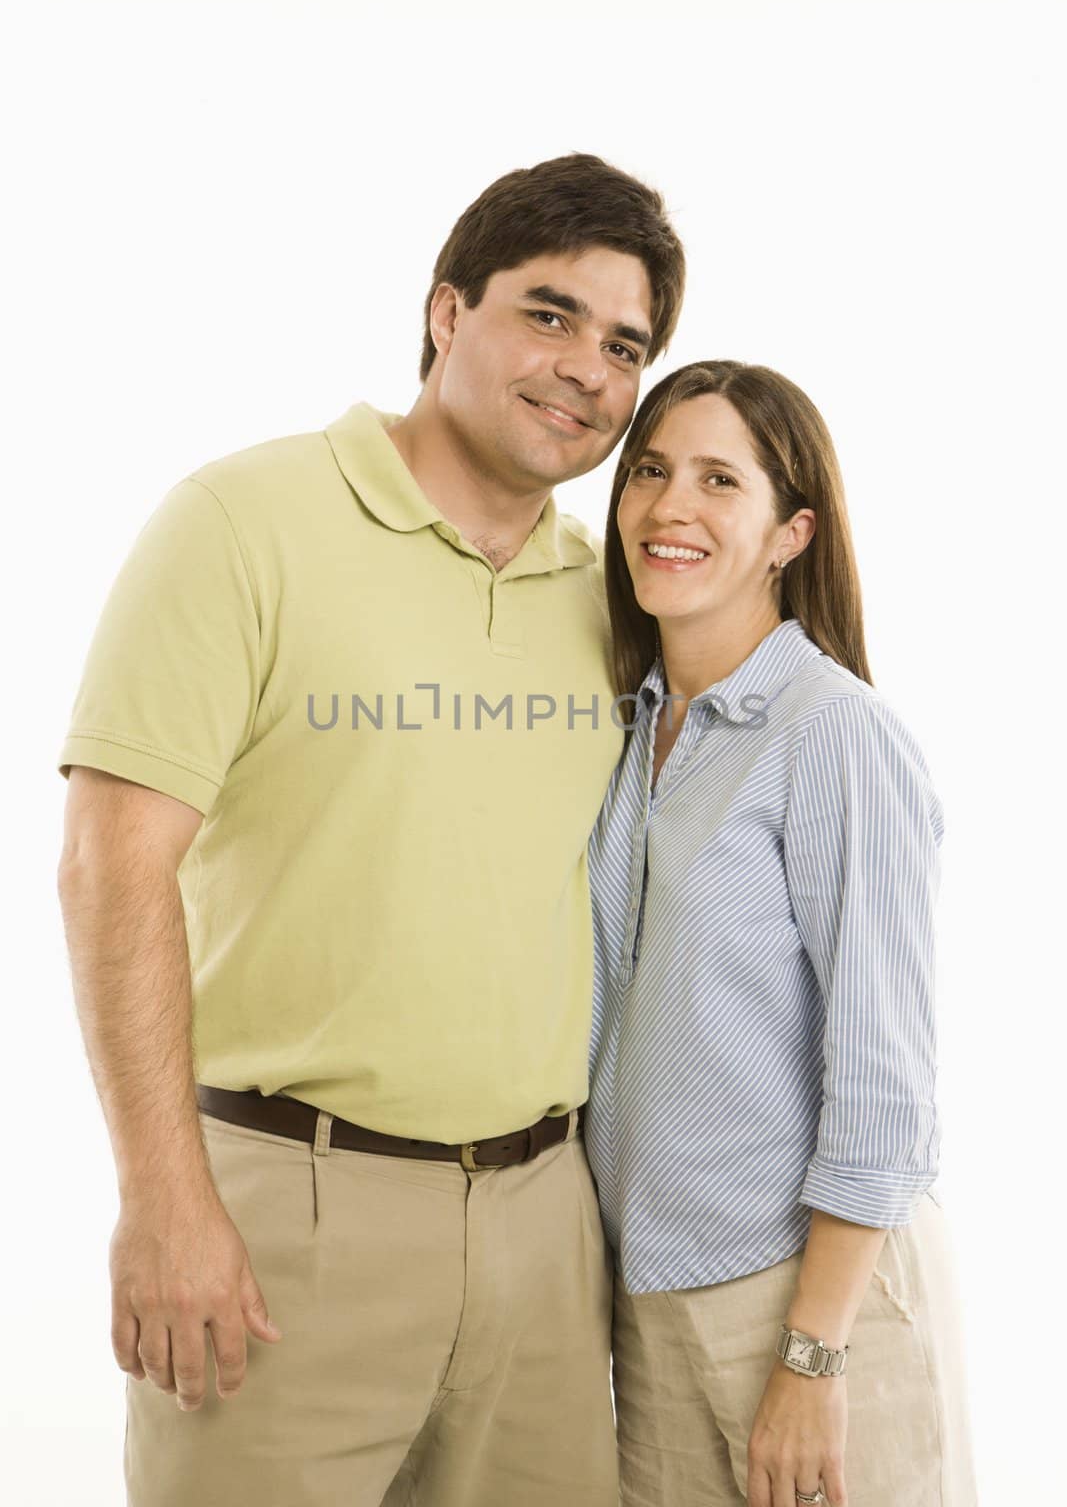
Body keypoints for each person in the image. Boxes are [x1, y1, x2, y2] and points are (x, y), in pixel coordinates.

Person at [55, 152, 686, 1507]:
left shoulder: (611, 596)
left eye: (623, 344)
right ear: (445, 313)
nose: (585, 366)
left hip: (544, 1226)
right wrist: (166, 1201)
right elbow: (114, 864)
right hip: (291, 1217)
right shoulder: (243, 521)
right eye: (547, 313)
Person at [585, 361, 977, 1506]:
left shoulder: (832, 736)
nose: (669, 507)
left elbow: (882, 1078)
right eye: (650, 470)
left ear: (785, 533)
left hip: (812, 1299)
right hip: (649, 1300)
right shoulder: (631, 725)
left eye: (719, 479)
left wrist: (812, 1355)